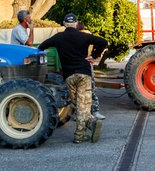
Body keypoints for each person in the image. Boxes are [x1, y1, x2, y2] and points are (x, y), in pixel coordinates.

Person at [38, 13, 108, 144]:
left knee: (78, 104)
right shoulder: (84, 36)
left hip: (69, 76)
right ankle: (80, 135)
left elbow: (41, 47)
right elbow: (104, 42)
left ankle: (90, 124)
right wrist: (94, 55)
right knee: (83, 106)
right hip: (84, 74)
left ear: (64, 24)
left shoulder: (58, 38)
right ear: (76, 24)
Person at [77, 22, 106, 120]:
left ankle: (79, 113)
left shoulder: (80, 36)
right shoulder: (88, 35)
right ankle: (95, 111)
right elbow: (101, 43)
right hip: (88, 63)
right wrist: (94, 55)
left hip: (79, 64)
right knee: (91, 89)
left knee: (78, 91)